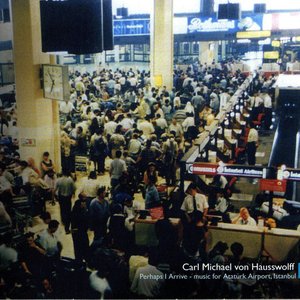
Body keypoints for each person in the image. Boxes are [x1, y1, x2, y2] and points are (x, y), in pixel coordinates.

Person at [71, 194, 89, 262]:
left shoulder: (82, 209)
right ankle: (79, 260)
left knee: (84, 245)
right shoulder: (77, 210)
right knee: (78, 247)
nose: (85, 204)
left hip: (82, 231)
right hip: (77, 232)